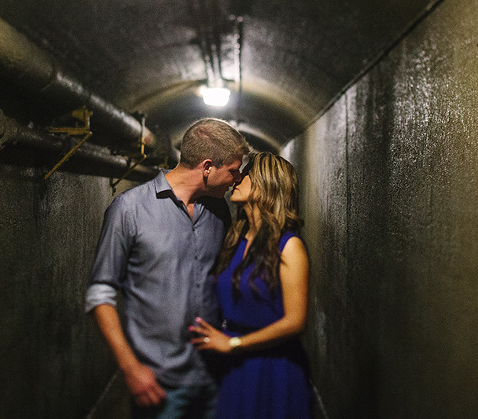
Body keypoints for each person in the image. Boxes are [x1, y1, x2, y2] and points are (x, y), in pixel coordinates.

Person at [85, 118, 250, 419]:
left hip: (215, 374)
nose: (236, 179)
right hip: (159, 381)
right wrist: (130, 368)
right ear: (207, 167)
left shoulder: (218, 210)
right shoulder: (129, 209)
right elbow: (100, 293)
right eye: (233, 170)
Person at [190, 152, 313, 418]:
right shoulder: (236, 238)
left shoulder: (289, 246)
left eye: (244, 174)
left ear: (265, 183)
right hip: (234, 366)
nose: (236, 178)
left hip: (272, 368)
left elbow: (295, 321)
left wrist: (234, 343)